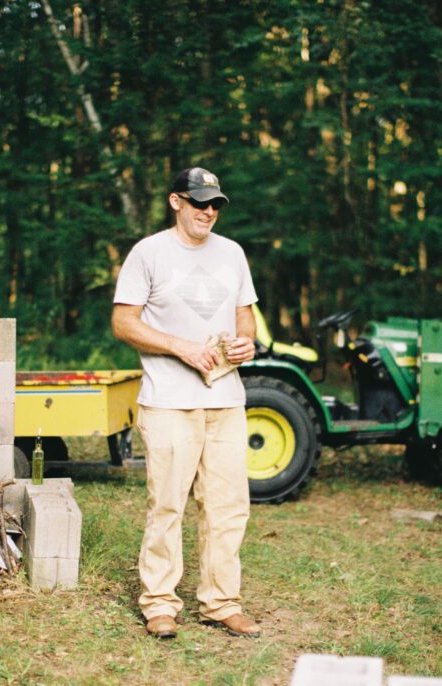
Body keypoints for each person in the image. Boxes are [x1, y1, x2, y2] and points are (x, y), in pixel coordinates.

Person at [111, 167, 261, 640]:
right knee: (168, 505)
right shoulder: (149, 253)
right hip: (168, 401)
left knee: (228, 507)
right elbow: (123, 323)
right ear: (177, 202)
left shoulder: (232, 253)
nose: (209, 212)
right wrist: (181, 347)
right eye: (199, 202)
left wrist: (246, 344)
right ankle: (159, 604)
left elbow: (246, 318)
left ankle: (222, 603)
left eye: (215, 203)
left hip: (225, 401)